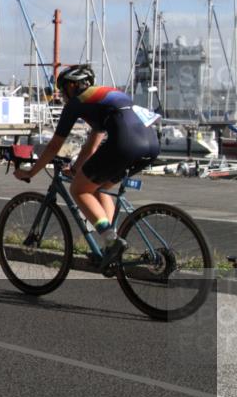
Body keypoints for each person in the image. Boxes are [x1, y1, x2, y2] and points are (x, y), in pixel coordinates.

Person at [14, 64, 160, 271]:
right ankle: (111, 243)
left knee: (79, 190)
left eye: (63, 89)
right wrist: (76, 170)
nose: (62, 95)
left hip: (126, 143)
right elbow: (91, 145)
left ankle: (111, 240)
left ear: (73, 86)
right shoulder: (104, 97)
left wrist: (31, 172)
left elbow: (55, 146)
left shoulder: (77, 103)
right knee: (99, 187)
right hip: (151, 144)